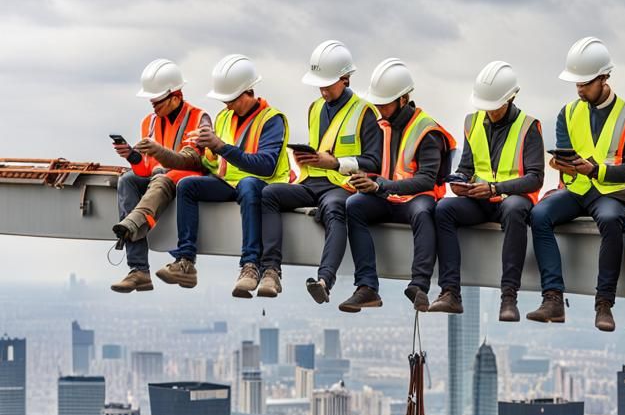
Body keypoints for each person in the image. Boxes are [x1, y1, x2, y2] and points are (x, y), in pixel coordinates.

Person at [526, 38, 625, 332]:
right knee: (539, 215)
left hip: (609, 193)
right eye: (577, 84)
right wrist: (563, 165)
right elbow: (565, 153)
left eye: (585, 83)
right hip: (576, 190)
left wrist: (595, 170)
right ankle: (552, 298)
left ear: (604, 78)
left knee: (611, 221)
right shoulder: (568, 113)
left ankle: (604, 303)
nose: (580, 89)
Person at [257, 40, 381, 302]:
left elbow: (374, 162)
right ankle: (271, 270)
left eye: (328, 84)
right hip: (311, 181)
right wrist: (307, 158)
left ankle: (324, 281)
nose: (322, 90)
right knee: (269, 194)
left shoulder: (365, 112)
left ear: (345, 79)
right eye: (319, 84)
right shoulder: (315, 108)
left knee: (335, 209)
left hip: (341, 186)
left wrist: (335, 163)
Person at [155, 54, 290, 295]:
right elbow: (215, 164)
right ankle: (185, 261)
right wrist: (206, 151)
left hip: (263, 184)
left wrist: (219, 146)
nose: (227, 105)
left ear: (247, 92)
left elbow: (266, 166)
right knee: (187, 185)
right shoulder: (224, 117)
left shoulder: (272, 120)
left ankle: (250, 265)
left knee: (248, 185)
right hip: (228, 183)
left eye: (231, 99)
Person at [427, 61, 544, 321]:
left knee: (514, 209)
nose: (489, 111)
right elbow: (467, 167)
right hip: (479, 200)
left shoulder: (529, 126)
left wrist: (495, 188)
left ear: (510, 98)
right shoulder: (472, 122)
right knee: (444, 209)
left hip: (511, 200)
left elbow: (535, 178)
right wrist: (460, 181)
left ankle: (509, 297)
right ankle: (450, 292)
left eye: (494, 106)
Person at [338, 58, 455, 313]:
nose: (380, 109)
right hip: (387, 196)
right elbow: (377, 167)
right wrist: (365, 180)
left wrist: (382, 186)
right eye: (378, 103)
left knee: (423, 213)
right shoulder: (382, 126)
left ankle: (419, 286)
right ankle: (367, 287)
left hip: (417, 197)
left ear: (403, 99)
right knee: (354, 205)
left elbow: (426, 179)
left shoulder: (427, 131)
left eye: (385, 103)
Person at [110, 59, 210, 293]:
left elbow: (191, 159)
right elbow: (145, 169)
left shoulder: (199, 118)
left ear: (176, 97)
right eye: (151, 101)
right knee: (127, 180)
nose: (153, 106)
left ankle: (133, 223)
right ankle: (138, 271)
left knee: (161, 178)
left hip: (184, 178)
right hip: (157, 178)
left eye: (157, 101)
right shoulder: (150, 122)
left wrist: (158, 152)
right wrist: (133, 157)